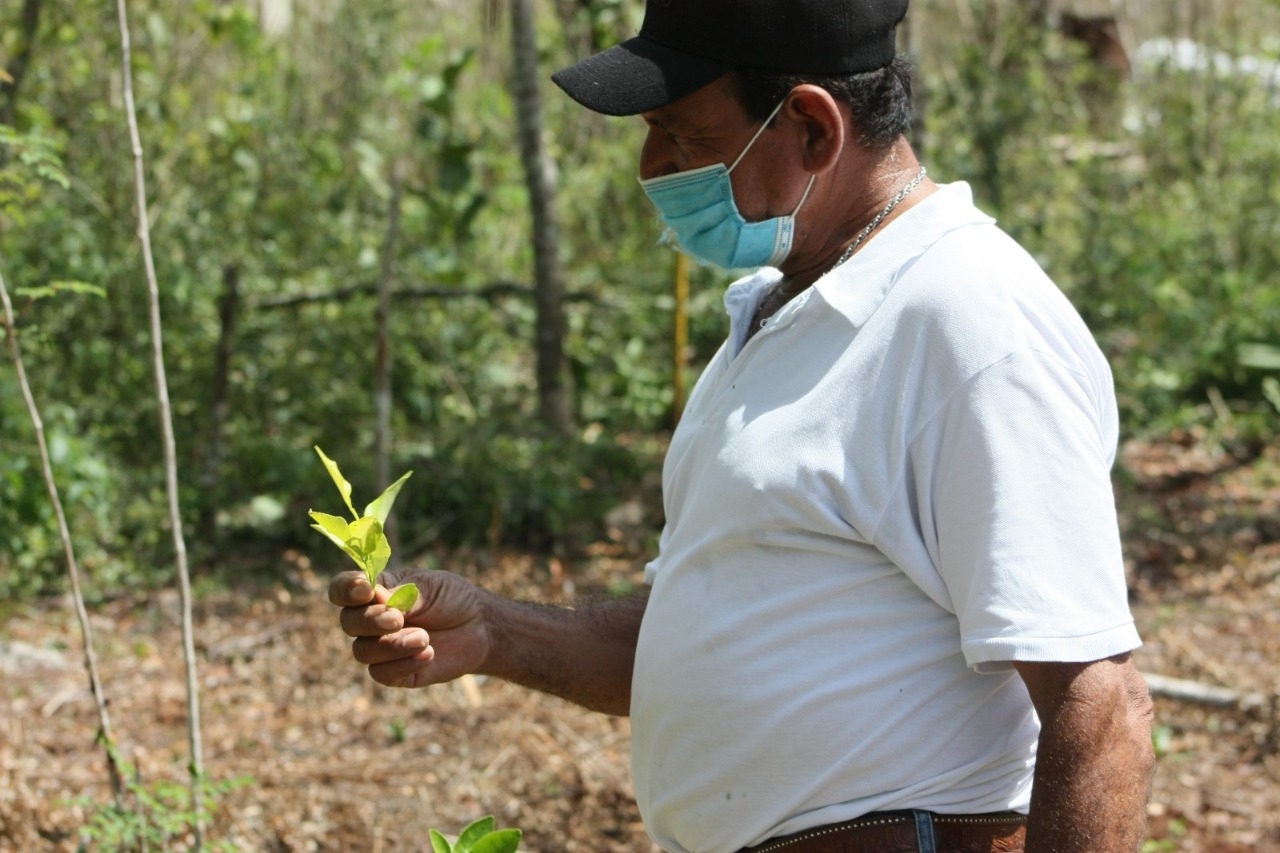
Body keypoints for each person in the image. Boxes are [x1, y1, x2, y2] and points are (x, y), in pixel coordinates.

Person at [328, 1, 1156, 851]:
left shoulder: (969, 321)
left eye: (679, 135)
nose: (651, 166)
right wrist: (496, 629)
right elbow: (708, 622)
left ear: (810, 125)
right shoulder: (786, 309)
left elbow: (1098, 703)